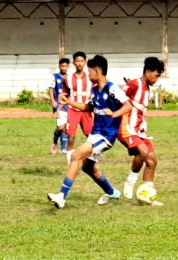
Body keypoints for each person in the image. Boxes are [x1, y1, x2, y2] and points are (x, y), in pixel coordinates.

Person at [47, 55, 133, 209]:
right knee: (88, 167)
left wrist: (114, 114)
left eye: (89, 70)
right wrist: (69, 102)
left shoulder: (111, 88)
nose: (88, 74)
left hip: (106, 135)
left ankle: (61, 196)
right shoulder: (94, 89)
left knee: (75, 155)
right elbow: (89, 108)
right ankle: (112, 192)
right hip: (96, 133)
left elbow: (128, 105)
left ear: (97, 71)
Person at [118, 57, 164, 206]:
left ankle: (147, 196)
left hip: (139, 129)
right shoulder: (135, 84)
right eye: (156, 75)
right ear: (148, 72)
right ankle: (130, 181)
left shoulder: (148, 90)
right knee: (143, 153)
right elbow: (117, 94)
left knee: (152, 161)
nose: (156, 79)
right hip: (126, 127)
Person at [61, 51, 94, 163]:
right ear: (74, 63)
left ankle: (92, 159)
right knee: (71, 136)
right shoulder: (68, 78)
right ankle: (71, 161)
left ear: (85, 62)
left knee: (90, 135)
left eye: (81, 61)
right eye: (77, 61)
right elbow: (64, 94)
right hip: (73, 110)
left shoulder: (90, 77)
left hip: (85, 109)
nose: (79, 63)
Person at [49, 58, 69, 154]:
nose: (64, 68)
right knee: (60, 127)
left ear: (68, 67)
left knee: (65, 127)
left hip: (67, 105)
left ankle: (63, 149)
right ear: (59, 66)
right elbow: (51, 89)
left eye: (65, 66)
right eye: (62, 66)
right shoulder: (55, 77)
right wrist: (53, 100)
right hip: (58, 104)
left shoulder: (69, 78)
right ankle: (55, 141)